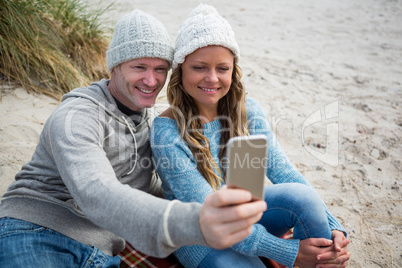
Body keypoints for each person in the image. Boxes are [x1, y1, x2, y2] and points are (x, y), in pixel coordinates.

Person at [0, 9, 267, 267]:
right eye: (139, 66)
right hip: (36, 232)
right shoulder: (77, 116)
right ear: (115, 67)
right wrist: (196, 220)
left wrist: (210, 195)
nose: (151, 80)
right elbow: (96, 192)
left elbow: (148, 187)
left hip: (102, 255)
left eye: (160, 69)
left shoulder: (150, 125)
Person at [150, 4, 351, 268]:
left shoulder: (246, 110)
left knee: (303, 197)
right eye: (199, 67)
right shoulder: (166, 131)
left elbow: (284, 172)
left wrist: (333, 226)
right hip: (199, 235)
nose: (212, 78)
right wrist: (290, 252)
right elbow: (215, 216)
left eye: (222, 68)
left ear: (233, 70)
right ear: (181, 71)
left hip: (247, 211)